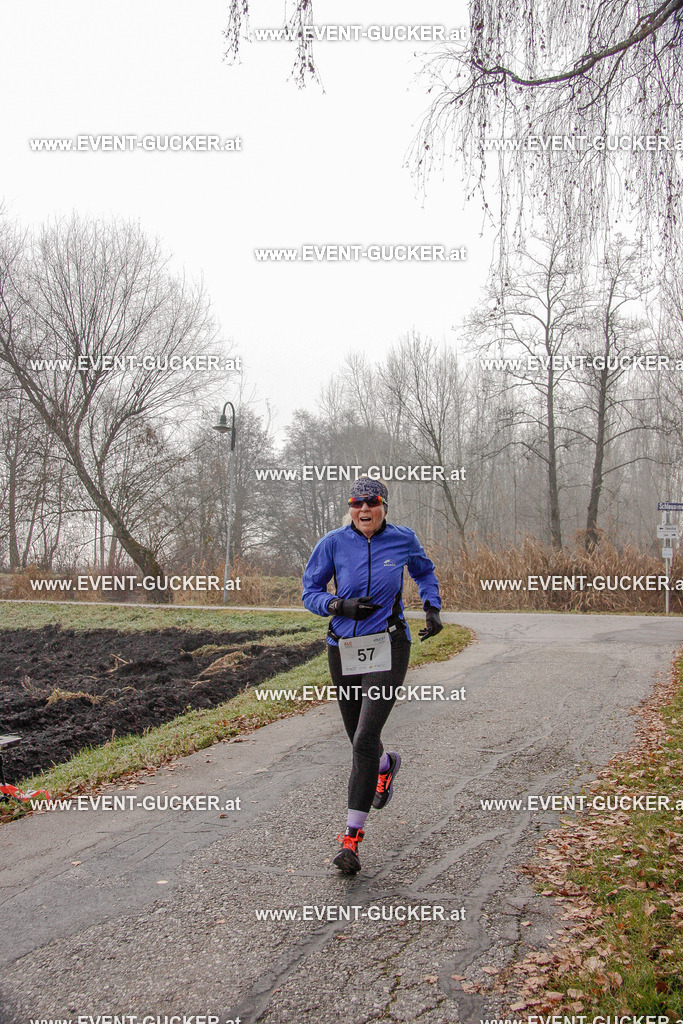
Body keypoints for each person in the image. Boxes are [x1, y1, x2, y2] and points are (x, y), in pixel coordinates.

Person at [302, 476, 443, 874]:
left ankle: (351, 840)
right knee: (358, 741)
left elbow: (424, 572)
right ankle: (384, 765)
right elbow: (309, 590)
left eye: (372, 503)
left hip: (389, 646)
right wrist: (337, 605)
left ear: (384, 506)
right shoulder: (332, 542)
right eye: (356, 503)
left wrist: (431, 606)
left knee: (364, 738)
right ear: (350, 509)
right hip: (343, 649)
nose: (364, 510)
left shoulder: (403, 539)